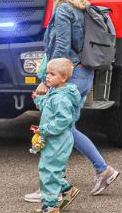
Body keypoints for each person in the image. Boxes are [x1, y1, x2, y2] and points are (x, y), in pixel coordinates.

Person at [25, 0, 120, 204]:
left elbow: (61, 47)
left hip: (69, 75)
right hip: (83, 73)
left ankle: (56, 188)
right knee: (67, 130)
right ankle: (91, 174)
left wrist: (48, 80)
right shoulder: (83, 7)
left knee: (59, 130)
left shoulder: (64, 10)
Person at [31, 58, 82, 213]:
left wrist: (44, 129)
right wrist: (39, 100)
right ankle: (67, 189)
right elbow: (48, 108)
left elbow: (63, 120)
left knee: (48, 170)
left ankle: (50, 206)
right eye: (47, 73)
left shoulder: (61, 98)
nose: (47, 77)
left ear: (63, 78)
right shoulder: (55, 92)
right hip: (54, 139)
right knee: (51, 170)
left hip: (58, 140)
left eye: (52, 74)